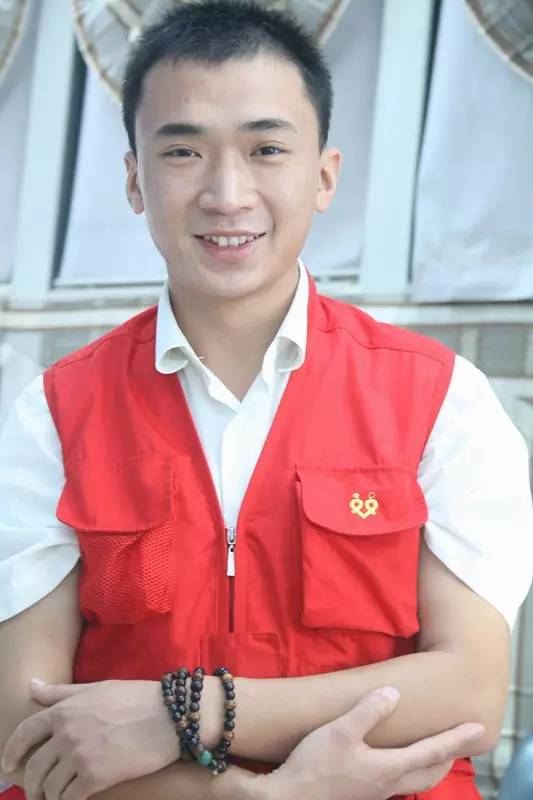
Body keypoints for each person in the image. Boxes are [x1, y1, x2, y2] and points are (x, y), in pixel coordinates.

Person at [0, 2, 532, 799]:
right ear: (135, 180)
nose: (227, 193)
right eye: (182, 151)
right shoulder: (52, 414)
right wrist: (256, 796)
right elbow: (23, 729)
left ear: (324, 176)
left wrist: (184, 712)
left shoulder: (441, 399)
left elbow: (467, 693)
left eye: (266, 149)